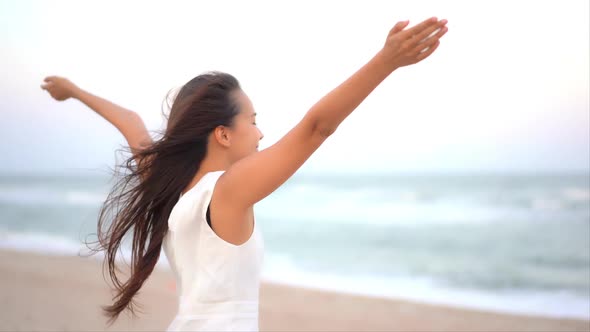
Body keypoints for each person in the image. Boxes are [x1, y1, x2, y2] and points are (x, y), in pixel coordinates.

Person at [41, 17, 448, 331]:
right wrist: (386, 62)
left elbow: (129, 121)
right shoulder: (227, 191)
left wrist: (74, 90)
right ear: (222, 134)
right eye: (253, 120)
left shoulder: (172, 190)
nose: (261, 132)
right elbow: (316, 128)